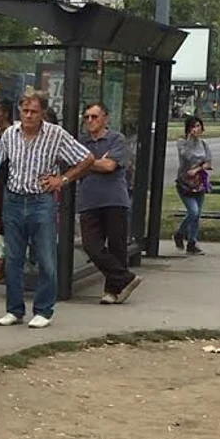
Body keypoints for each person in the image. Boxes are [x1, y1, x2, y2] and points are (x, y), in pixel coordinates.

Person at [0, 92, 93, 329]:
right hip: (14, 199)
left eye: (34, 112)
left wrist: (63, 179)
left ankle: (43, 310)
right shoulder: (10, 134)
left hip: (41, 201)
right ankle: (14, 309)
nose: (28, 116)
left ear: (42, 113)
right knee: (13, 259)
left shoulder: (55, 134)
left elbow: (87, 158)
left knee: (46, 258)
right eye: (25, 111)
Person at [77, 102, 143, 304]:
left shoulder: (116, 139)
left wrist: (87, 163)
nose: (90, 121)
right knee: (91, 246)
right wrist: (95, 162)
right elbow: (73, 164)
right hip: (89, 201)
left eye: (94, 117)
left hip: (114, 200)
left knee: (117, 245)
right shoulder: (81, 142)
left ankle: (112, 291)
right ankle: (126, 278)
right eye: (87, 117)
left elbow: (109, 166)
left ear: (105, 118)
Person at [174, 115, 211, 255]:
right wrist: (190, 139)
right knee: (193, 212)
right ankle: (179, 233)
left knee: (197, 215)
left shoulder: (204, 144)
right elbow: (187, 157)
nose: (196, 129)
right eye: (193, 126)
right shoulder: (182, 143)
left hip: (199, 183)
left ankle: (192, 243)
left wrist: (197, 169)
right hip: (185, 184)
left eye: (198, 126)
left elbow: (208, 162)